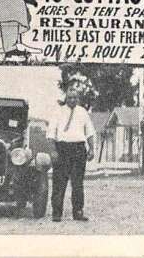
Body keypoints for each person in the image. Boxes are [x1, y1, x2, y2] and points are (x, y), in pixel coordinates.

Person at [47, 87, 96, 222]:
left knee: (78, 183)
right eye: (70, 97)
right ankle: (57, 213)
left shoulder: (83, 112)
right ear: (66, 98)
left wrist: (91, 149)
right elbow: (51, 133)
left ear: (78, 99)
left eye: (75, 97)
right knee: (59, 182)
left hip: (79, 149)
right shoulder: (58, 112)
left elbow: (90, 132)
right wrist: (53, 150)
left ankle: (78, 212)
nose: (72, 100)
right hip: (62, 149)